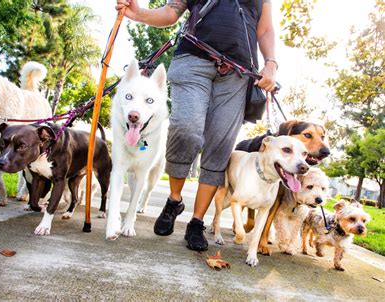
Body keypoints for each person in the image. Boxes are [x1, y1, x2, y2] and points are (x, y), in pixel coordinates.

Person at [115, 0, 277, 251]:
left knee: (220, 145)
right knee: (186, 129)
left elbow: (264, 30)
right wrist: (138, 14)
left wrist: (270, 63)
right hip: (193, 60)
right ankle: (174, 200)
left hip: (238, 74)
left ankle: (196, 221)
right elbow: (171, 12)